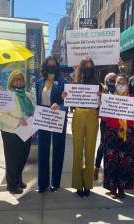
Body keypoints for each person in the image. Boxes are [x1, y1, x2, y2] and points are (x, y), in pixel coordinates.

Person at [102, 75, 134, 199]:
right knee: (111, 161)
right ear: (115, 85)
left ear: (127, 85)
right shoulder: (109, 98)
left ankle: (122, 188)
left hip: (127, 133)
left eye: (124, 82)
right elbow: (104, 118)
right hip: (112, 133)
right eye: (119, 82)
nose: (121, 85)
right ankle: (113, 188)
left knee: (125, 162)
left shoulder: (132, 98)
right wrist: (103, 106)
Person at [0, 70, 34, 194]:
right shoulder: (6, 95)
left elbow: (34, 110)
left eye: (21, 79)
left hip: (26, 130)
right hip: (11, 131)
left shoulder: (28, 95)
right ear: (11, 81)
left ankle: (18, 179)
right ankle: (12, 185)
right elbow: (0, 114)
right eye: (16, 79)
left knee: (23, 157)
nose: (19, 81)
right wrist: (17, 121)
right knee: (12, 159)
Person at [69, 57, 100, 197]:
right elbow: (68, 99)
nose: (88, 69)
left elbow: (103, 102)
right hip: (78, 114)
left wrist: (101, 97)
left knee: (90, 150)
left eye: (90, 67)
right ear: (81, 68)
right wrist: (65, 95)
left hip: (92, 115)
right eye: (85, 66)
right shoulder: (75, 83)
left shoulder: (97, 83)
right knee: (77, 150)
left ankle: (87, 184)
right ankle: (77, 184)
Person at [35, 56, 67, 193]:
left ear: (57, 67)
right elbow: (36, 101)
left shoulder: (62, 82)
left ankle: (55, 182)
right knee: (43, 150)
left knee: (58, 150)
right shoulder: (39, 82)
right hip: (43, 117)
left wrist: (60, 105)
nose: (52, 66)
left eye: (54, 64)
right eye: (49, 64)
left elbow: (67, 101)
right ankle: (42, 183)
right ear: (45, 66)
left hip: (58, 117)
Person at [94, 72, 117, 181]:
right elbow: (97, 107)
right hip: (105, 122)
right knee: (103, 144)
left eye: (114, 78)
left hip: (116, 122)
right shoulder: (102, 90)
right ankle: (97, 167)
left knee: (113, 147)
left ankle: (108, 171)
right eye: (109, 79)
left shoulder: (119, 91)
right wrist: (99, 97)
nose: (112, 80)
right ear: (105, 80)